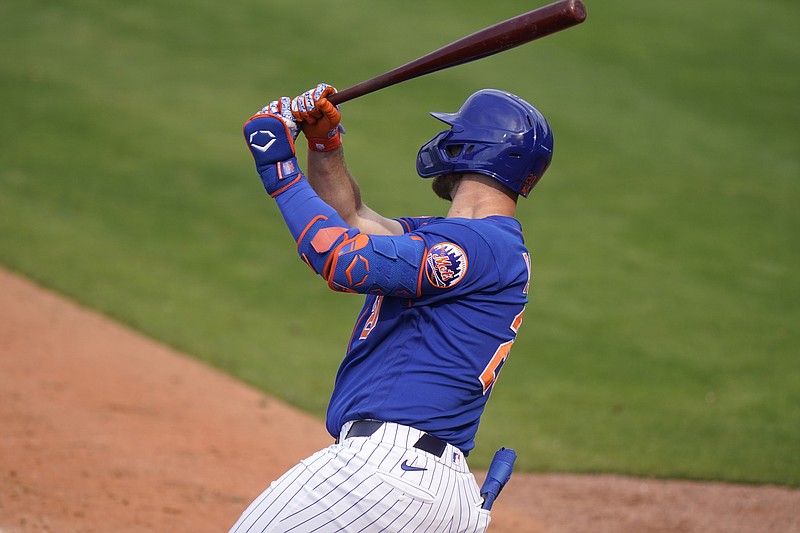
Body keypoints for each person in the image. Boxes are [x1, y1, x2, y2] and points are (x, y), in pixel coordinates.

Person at [231, 84, 554, 532]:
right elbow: (353, 220)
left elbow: (346, 260)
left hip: (384, 478)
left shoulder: (470, 247)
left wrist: (278, 166)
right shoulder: (474, 240)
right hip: (442, 495)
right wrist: (325, 145)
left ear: (471, 148)